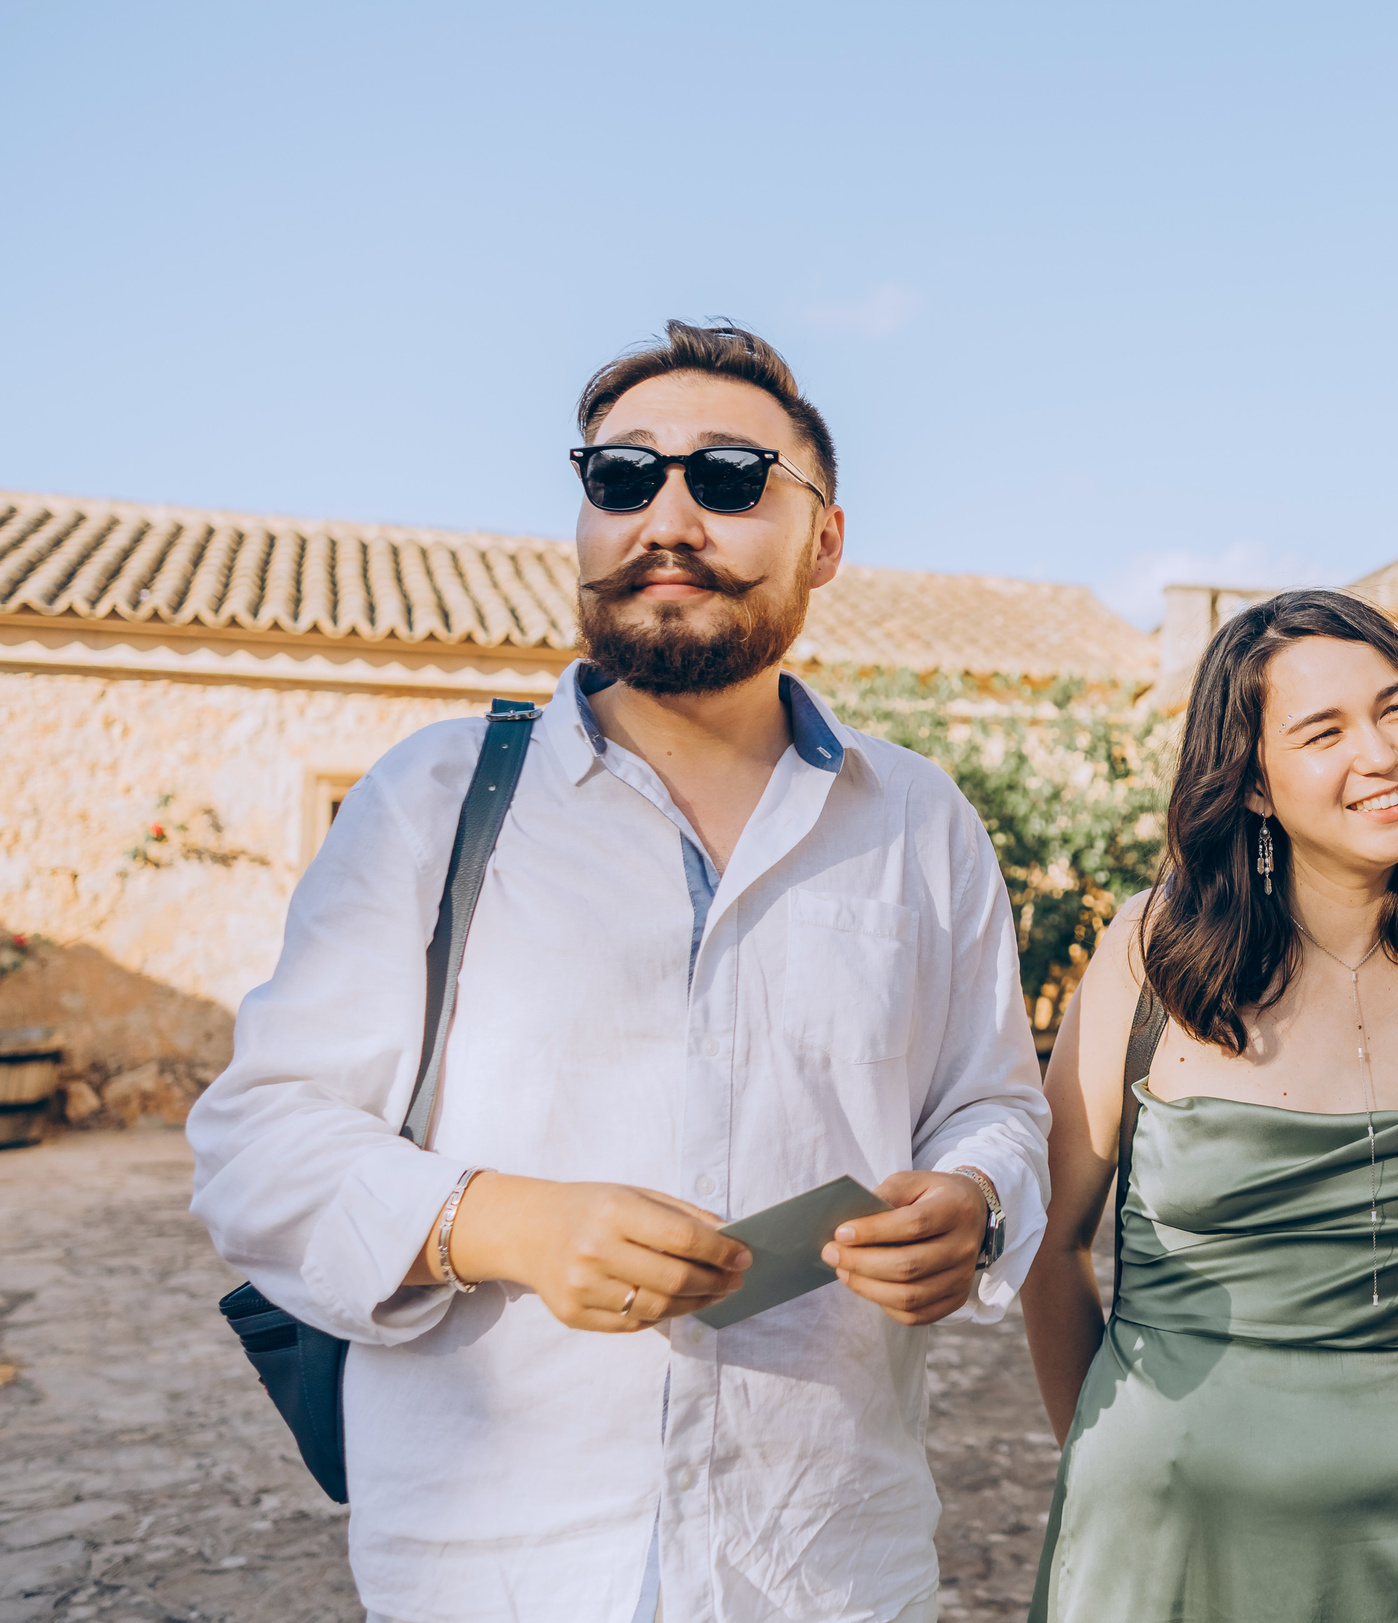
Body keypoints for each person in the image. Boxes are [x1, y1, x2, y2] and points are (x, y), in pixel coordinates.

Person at [188, 321, 1050, 1623]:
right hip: (503, 1567)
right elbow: (253, 1140)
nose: (667, 514)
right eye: (621, 476)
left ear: (823, 538)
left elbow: (997, 1101)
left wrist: (975, 1199)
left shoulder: (923, 820)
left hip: (822, 1556)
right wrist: (495, 1220)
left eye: (729, 477)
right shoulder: (433, 798)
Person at [1021, 590, 1398, 1622]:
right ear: (1252, 786)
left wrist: (1386, 1393)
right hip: (1159, 1522)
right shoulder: (1149, 949)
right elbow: (1050, 1241)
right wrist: (1106, 1442)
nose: (1382, 753)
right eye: (1323, 731)